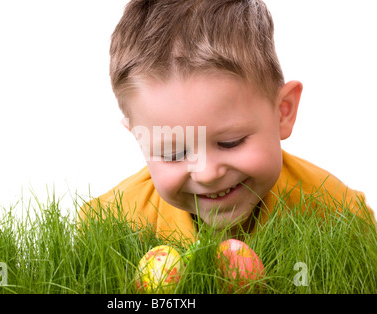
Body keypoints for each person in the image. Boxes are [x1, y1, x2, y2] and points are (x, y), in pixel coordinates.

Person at [80, 0, 373, 241]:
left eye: (230, 142)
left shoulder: (339, 213)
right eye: (173, 154)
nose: (207, 173)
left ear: (283, 111)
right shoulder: (110, 227)